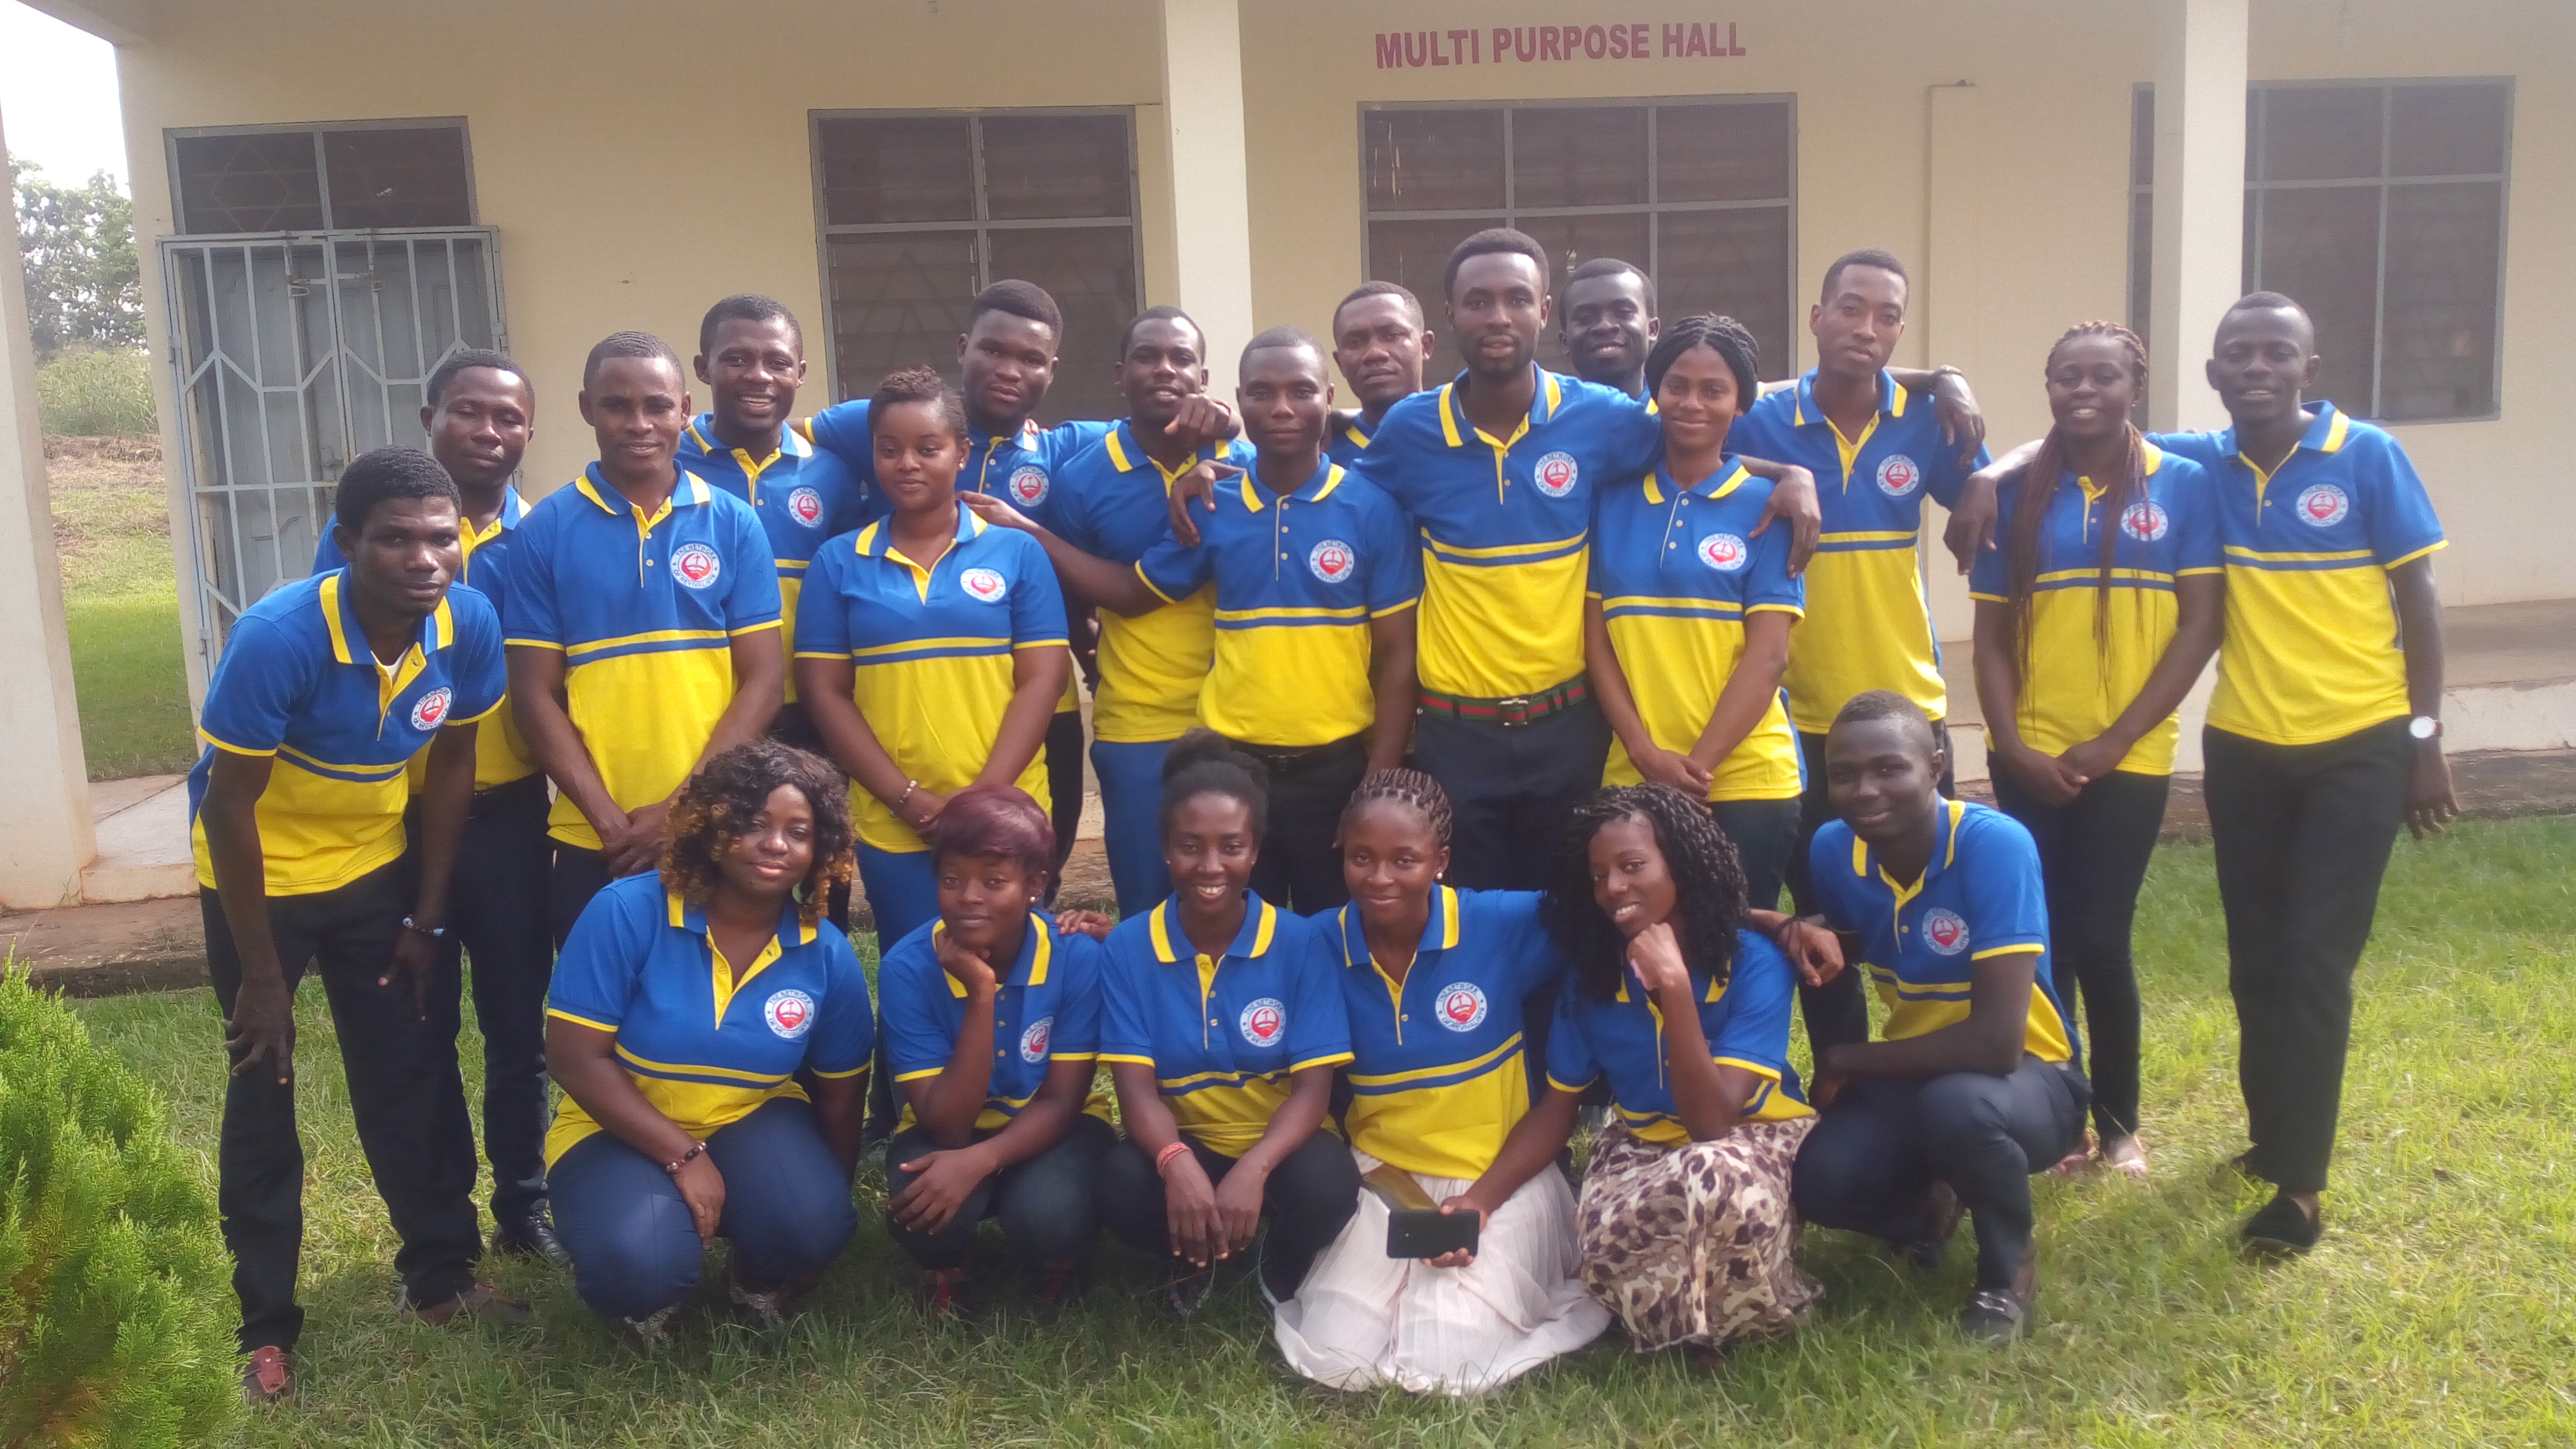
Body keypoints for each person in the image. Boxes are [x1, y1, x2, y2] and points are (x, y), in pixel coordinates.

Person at [1949, 292, 2455, 1251]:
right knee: (2255, 961)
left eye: (2277, 353)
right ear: (2213, 373)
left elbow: (2418, 598)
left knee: (2311, 962)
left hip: (2358, 743)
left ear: (2309, 367)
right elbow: (2080, 431)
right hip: (2245, 746)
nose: (2258, 368)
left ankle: (2299, 1192)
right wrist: (1988, 473)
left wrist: (2423, 739)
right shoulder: (2203, 462)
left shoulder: (2366, 456)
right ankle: (2270, 1141)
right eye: (2239, 355)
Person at [1177, 229, 1820, 893]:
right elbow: (1318, 482)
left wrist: (1786, 474)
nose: (1498, 316)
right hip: (1456, 735)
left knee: (1568, 910)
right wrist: (1225, 468)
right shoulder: (1410, 431)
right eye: (1478, 301)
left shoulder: (1600, 419)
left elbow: (1697, 432)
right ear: (1450, 316)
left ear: (1544, 311)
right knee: (1468, 920)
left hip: (1570, 728)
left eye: (1516, 299)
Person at [191, 447, 520, 1405]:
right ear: (346, 543)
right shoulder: (278, 636)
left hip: (373, 872)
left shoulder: (467, 621)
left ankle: (441, 1277)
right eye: (396, 539)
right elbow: (228, 806)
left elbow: (453, 764)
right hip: (258, 879)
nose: (425, 559)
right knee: (264, 1088)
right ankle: (265, 1327)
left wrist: (426, 914)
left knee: (410, 1068)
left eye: (441, 538)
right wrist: (262, 978)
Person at [969, 328, 1419, 913]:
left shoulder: (1371, 508)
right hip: (1234, 769)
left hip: (1337, 769)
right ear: (1240, 401)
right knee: (1233, 932)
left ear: (1329, 398)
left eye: (1301, 391)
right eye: (1262, 393)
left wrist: (1377, 780)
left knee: (1335, 934)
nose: (1282, 408)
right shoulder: (1212, 508)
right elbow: (1133, 592)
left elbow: (1398, 656)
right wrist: (1025, 529)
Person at [310, 348, 562, 1264]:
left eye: (508, 417)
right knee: (417, 1023)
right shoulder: (372, 533)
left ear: (530, 431)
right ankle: (439, 1228)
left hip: (508, 819)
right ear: (430, 419)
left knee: (518, 1024)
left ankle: (524, 1204)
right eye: (467, 411)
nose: (488, 431)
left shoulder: (545, 537)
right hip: (395, 824)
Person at [1965, 322, 2223, 1179]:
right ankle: (2059, 1119)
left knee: (2101, 935)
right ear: (2047, 387)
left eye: (2103, 376)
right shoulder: (2016, 495)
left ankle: (2118, 1125)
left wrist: (2116, 739)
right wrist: (2010, 744)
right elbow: (1990, 639)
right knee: (2041, 942)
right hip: (2027, 754)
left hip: (2129, 756)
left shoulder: (2182, 484)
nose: (2084, 390)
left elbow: (2199, 626)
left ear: (2134, 387)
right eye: (2066, 376)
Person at [1728, 248, 1992, 1059]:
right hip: (1794, 719)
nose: (1866, 328)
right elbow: (1676, 437)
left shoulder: (1927, 420)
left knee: (1939, 913)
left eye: (1886, 316)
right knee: (1824, 920)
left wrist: (1979, 458)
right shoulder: (1762, 418)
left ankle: (1953, 1074)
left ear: (1901, 330)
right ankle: (1841, 1079)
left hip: (1907, 713)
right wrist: (1779, 469)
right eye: (1850, 308)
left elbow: (1992, 488)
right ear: (1816, 316)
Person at [1272, 770, 1608, 1395]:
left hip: (1498, 1178)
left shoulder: (1495, 923)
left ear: (1441, 862)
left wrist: (1774, 923)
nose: (1380, 878)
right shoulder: (1317, 942)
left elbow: (1619, 905)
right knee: (1336, 1355)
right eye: (1362, 857)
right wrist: (1105, 939)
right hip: (1382, 1177)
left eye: (1404, 860)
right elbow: (1224, 946)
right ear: (1340, 853)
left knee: (1445, 1359)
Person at [802, 281, 1129, 887]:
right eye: (992, 350)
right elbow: (776, 433)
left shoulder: (1064, 448)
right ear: (963, 347)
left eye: (1029, 358)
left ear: (1052, 370)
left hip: (1032, 710)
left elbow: (1152, 432)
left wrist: (1221, 420)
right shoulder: (878, 419)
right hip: (900, 712)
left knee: (1031, 880)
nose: (1008, 370)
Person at [1786, 692, 2089, 1344]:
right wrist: (1790, 928)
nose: (1865, 790)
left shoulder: (1992, 845)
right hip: (1918, 1069)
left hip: (2030, 1076)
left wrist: (1845, 1059)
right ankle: (1932, 1208)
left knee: (1959, 1108)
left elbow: (1996, 1045)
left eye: (1888, 768)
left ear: (1936, 767)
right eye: (1843, 774)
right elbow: (1858, 937)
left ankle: (2007, 1269)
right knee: (1820, 1180)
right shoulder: (1833, 848)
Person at [543, 741, 871, 1338]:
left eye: (798, 832)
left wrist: (824, 1215)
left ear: (820, 847)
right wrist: (684, 1155)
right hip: (613, 1127)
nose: (776, 844)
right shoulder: (625, 911)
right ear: (711, 827)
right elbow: (574, 1058)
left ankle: (754, 1274)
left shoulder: (825, 952)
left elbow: (843, 1096)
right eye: (754, 823)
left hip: (751, 1119)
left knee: (812, 1224)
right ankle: (649, 1288)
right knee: (638, 1265)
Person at [1514, 784, 1825, 1356]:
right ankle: (1688, 1314)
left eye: (1633, 866)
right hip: (1641, 1143)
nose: (1613, 887)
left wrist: (1674, 986)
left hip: (1749, 1137)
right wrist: (1481, 1200)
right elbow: (1558, 1109)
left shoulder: (1753, 963)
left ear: (1679, 866)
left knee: (1713, 1176)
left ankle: (1735, 1315)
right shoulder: (1593, 978)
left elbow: (1712, 1124)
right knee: (1602, 1242)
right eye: (1599, 875)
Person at [505, 331, 784, 943]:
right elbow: (532, 694)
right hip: (594, 836)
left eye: (657, 406)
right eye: (617, 405)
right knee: (601, 995)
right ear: (587, 409)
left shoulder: (733, 522)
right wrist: (609, 822)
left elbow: (763, 681)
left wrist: (685, 809)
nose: (639, 424)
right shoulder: (545, 529)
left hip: (716, 825)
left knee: (713, 991)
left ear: (684, 410)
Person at [792, 364, 1070, 951]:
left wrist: (982, 801)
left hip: (1009, 810)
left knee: (1021, 974)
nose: (907, 464)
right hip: (895, 824)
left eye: (927, 448)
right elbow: (824, 693)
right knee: (915, 971)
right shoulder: (838, 562)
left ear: (961, 453)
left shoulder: (1018, 552)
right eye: (888, 449)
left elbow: (1043, 681)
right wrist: (906, 798)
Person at [1092, 731, 1358, 1311]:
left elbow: (1313, 1091)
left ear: (1255, 851)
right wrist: (1175, 1163)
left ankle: (1281, 1258)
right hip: (1187, 1140)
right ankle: (1191, 1254)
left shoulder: (1300, 942)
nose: (1210, 866)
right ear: (1166, 849)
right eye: (1190, 846)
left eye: (1231, 846)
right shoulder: (1130, 947)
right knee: (1120, 1184)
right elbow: (1134, 1091)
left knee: (1330, 1186)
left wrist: (1255, 1168)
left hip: (1281, 1145)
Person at [1585, 315, 1805, 911]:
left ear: (1740, 404)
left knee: (1735, 941)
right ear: (1655, 393)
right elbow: (1597, 643)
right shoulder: (1610, 501)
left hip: (1746, 779)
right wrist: (1643, 753)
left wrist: (1693, 773)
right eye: (1677, 386)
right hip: (1634, 771)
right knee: (1637, 940)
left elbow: (1769, 657)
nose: (1692, 403)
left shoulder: (1771, 508)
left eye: (1714, 390)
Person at [877, 785, 1116, 1313]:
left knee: (1049, 1215)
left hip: (1056, 1127)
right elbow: (946, 1128)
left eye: (993, 881)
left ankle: (1056, 1258)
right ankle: (948, 1263)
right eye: (952, 880)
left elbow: (1062, 1101)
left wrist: (981, 1161)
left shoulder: (1075, 955)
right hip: (950, 1123)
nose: (969, 897)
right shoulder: (907, 967)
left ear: (1035, 886)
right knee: (921, 1206)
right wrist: (981, 994)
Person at [1048, 309, 1257, 913]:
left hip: (1241, 720)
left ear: (1204, 378)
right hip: (1137, 723)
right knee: (1147, 905)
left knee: (1236, 905)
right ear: (1120, 375)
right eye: (1147, 356)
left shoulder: (1246, 462)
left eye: (1181, 358)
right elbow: (1072, 598)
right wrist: (1094, 663)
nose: (1165, 369)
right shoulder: (1082, 477)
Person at [678, 294, 875, 753]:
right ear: (703, 368)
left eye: (777, 362)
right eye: (737, 360)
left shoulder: (832, 473)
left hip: (812, 711)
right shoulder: (670, 466)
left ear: (800, 373)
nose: (759, 376)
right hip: (705, 713)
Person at [1325, 280, 1434, 467]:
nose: (1375, 353)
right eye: (1355, 342)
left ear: (1426, 346)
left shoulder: (1467, 434)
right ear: (1340, 362)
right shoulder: (1320, 457)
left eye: (1392, 336)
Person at [1558, 258, 1659, 399]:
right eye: (1585, 318)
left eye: (1623, 313)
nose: (1605, 326)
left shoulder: (1677, 411)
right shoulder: (1546, 412)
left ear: (1652, 329)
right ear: (1565, 342)